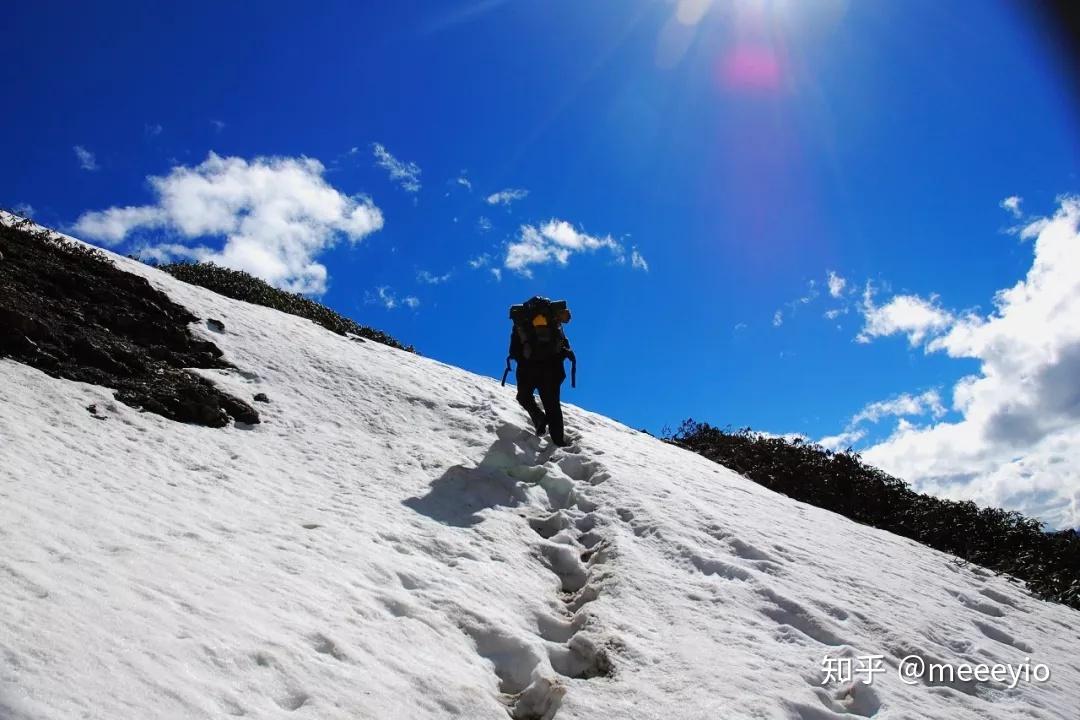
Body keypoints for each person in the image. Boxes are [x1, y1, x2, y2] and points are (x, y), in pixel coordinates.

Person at [504, 297, 575, 446]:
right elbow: (563, 344)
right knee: (553, 406)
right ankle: (559, 442)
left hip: (528, 369)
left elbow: (514, 349)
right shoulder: (553, 322)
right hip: (552, 370)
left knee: (524, 397)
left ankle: (539, 418)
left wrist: (521, 360)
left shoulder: (521, 322)